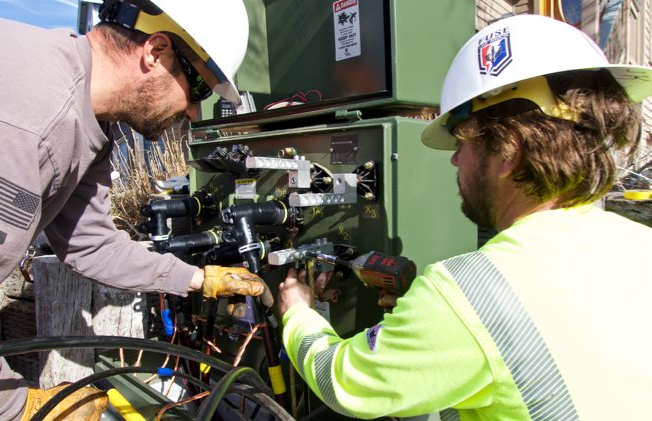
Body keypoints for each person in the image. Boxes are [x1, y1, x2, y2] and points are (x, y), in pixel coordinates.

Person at [278, 14, 652, 420]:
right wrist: (431, 324)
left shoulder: (466, 295)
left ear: (507, 148)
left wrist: (298, 312)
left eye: (461, 142)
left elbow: (343, 381)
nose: (454, 159)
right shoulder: (640, 242)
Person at [0, 1, 273, 420]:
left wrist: (197, 279)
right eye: (199, 89)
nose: (194, 112)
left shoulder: (89, 121)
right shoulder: (29, 122)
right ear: (155, 51)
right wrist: (15, 409)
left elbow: (90, 243)